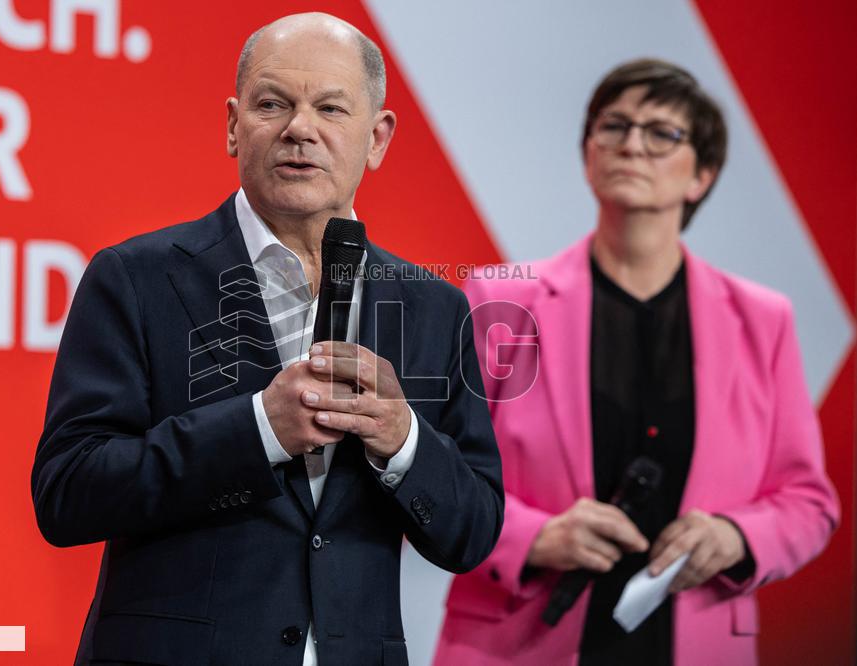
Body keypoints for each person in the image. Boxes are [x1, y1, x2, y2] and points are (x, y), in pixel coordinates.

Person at [30, 13, 503, 666]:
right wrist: (258, 428)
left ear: (378, 138)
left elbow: (473, 531)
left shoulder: (434, 308)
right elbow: (67, 493)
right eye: (272, 103)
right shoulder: (136, 277)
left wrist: (402, 439)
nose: (299, 129)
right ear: (233, 124)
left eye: (330, 108)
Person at [434, 58, 839, 665]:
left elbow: (808, 501)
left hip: (694, 637)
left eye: (661, 133)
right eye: (614, 127)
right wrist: (536, 537)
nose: (632, 146)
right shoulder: (501, 300)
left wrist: (736, 536)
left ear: (701, 174)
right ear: (588, 154)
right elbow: (435, 468)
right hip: (518, 637)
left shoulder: (763, 319)